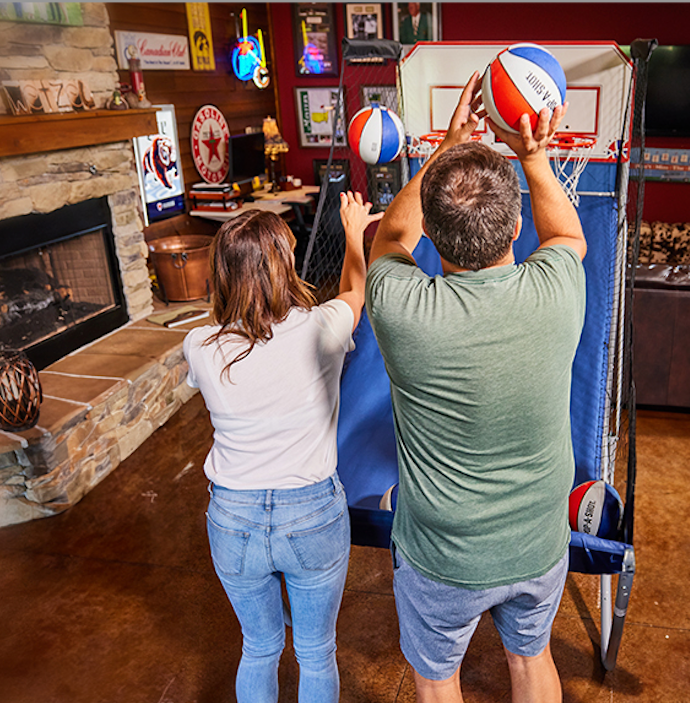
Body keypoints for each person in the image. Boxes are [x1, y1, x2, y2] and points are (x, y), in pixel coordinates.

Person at [365, 72, 586, 702]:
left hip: (442, 554)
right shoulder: (558, 289)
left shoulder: (402, 308)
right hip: (537, 540)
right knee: (532, 658)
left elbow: (389, 239)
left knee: (437, 682)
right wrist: (532, 155)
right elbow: (567, 237)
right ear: (516, 227)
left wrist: (444, 150)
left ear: (433, 238)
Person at [184, 193, 383, 703]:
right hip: (311, 514)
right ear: (283, 266)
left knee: (258, 648)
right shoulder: (321, 328)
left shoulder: (199, 345)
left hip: (233, 518)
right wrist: (354, 233)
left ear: (222, 273)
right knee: (315, 653)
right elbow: (356, 289)